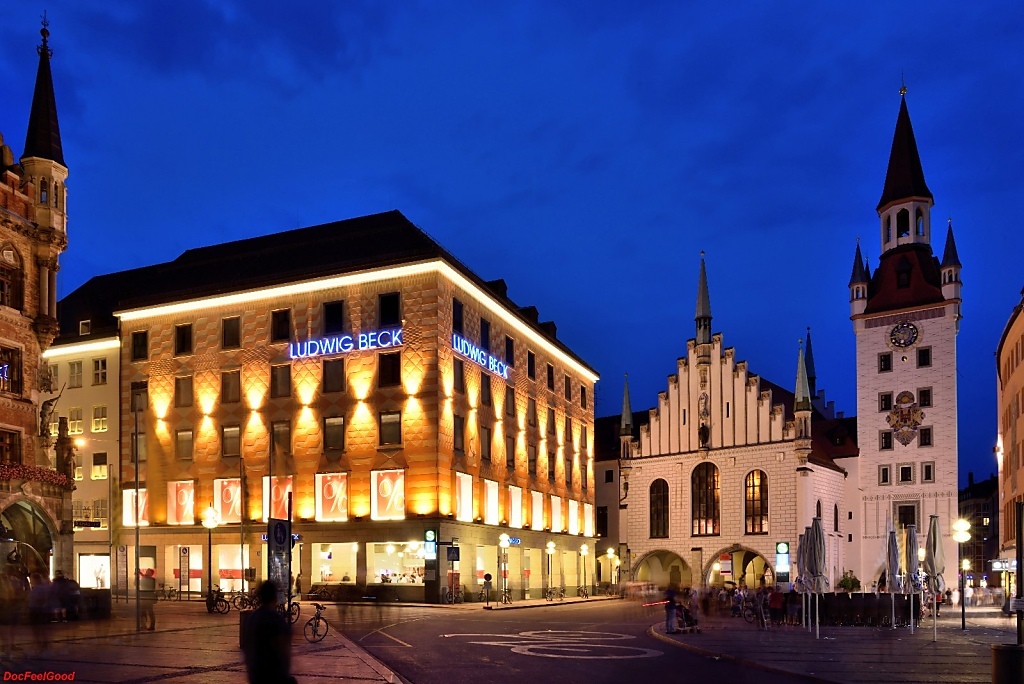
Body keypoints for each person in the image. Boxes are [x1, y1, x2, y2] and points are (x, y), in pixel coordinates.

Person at [243, 580, 294, 684]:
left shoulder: (253, 617)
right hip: (273, 676)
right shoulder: (275, 619)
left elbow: (247, 646)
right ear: (274, 597)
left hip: (256, 675)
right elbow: (282, 650)